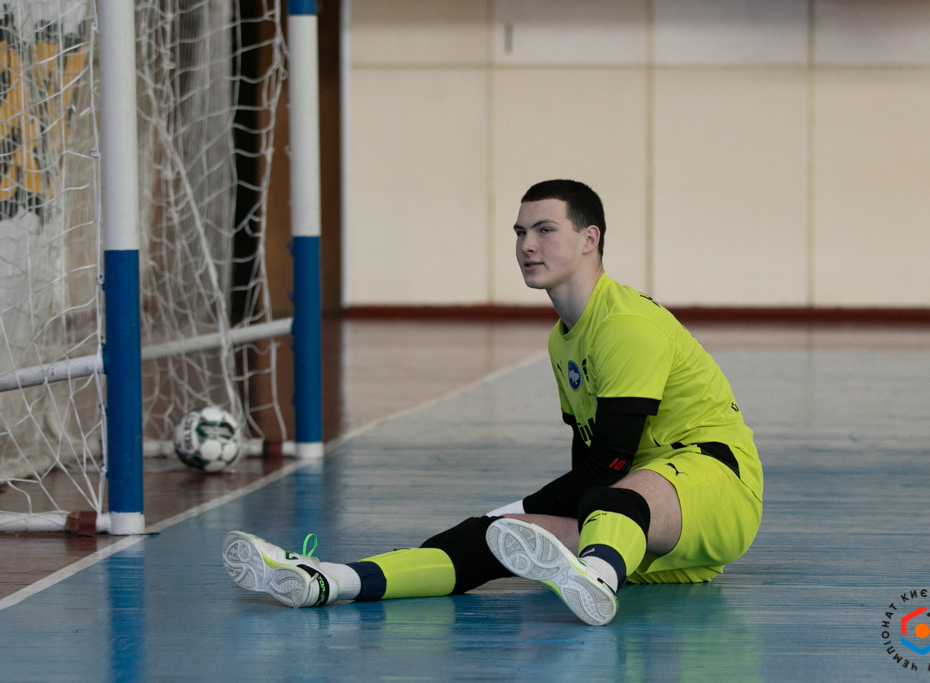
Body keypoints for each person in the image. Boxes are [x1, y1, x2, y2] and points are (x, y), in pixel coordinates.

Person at [223, 179, 763, 626]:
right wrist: (500, 522)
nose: (527, 245)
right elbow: (585, 458)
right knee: (489, 540)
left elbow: (610, 462)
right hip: (631, 523)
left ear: (589, 239)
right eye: (520, 232)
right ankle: (331, 580)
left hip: (715, 484)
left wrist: (519, 507)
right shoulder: (563, 340)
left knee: (591, 501)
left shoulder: (625, 324)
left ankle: (597, 581)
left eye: (545, 230)